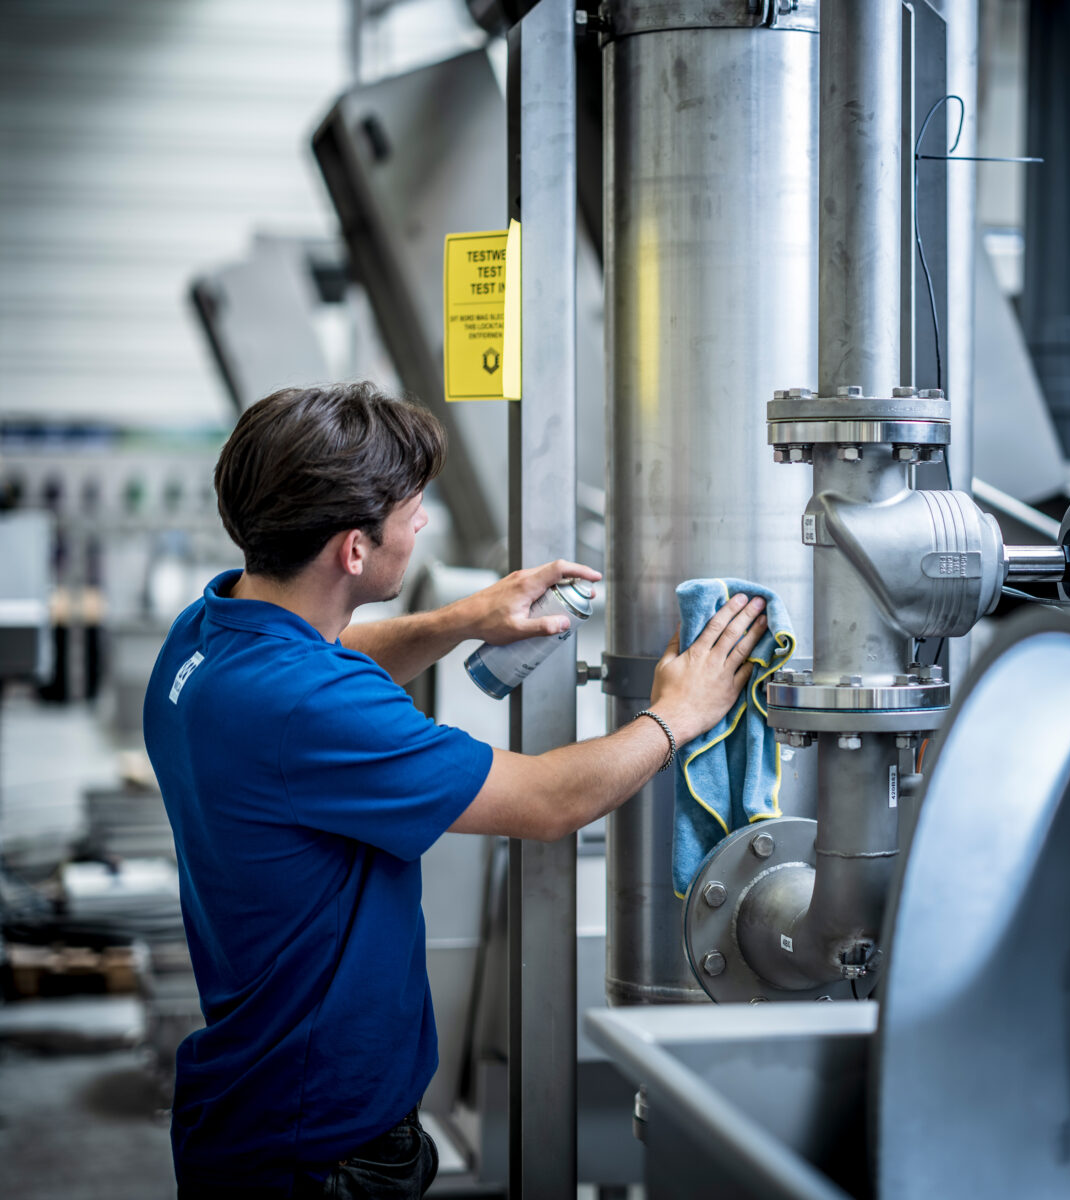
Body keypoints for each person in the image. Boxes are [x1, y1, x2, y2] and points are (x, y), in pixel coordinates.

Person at [143, 383, 765, 1198]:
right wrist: (675, 714)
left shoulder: (208, 632)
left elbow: (337, 658)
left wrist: (464, 618)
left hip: (252, 1109)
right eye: (410, 510)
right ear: (354, 552)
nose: (423, 522)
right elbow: (547, 803)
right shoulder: (307, 707)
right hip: (317, 1150)